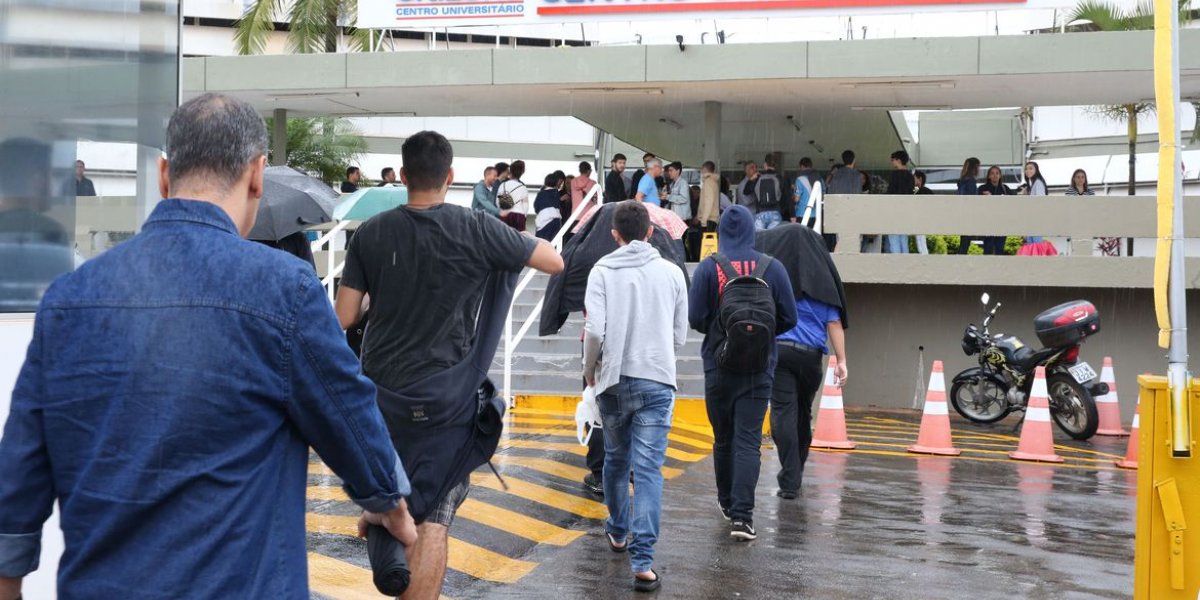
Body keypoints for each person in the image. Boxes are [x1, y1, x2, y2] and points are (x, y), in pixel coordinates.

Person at [0, 93, 418, 600]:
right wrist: (387, 502)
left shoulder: (68, 299)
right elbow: (349, 414)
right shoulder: (285, 290)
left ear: (162, 175)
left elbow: (19, 474)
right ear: (257, 175)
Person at [335, 131, 563, 600]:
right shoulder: (476, 229)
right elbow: (553, 261)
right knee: (435, 512)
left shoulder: (371, 234)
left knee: (389, 491)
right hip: (447, 400)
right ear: (451, 177)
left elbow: (343, 317)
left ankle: (385, 534)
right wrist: (508, 239)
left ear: (401, 176)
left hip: (382, 398)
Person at [582, 200, 687, 593]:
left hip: (612, 380)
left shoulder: (601, 271)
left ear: (615, 235)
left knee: (614, 460)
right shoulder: (673, 273)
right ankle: (642, 563)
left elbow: (594, 331)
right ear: (649, 232)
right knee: (647, 472)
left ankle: (618, 532)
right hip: (657, 382)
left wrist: (589, 371)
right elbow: (679, 336)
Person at [688, 205, 797, 542]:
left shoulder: (710, 267)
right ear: (753, 230)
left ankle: (725, 501)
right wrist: (758, 335)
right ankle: (742, 518)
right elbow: (790, 318)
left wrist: (724, 331)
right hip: (759, 368)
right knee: (748, 441)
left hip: (718, 366)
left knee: (723, 438)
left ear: (721, 231)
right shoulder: (772, 267)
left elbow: (695, 317)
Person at [757, 224, 848, 500]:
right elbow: (834, 324)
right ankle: (795, 471)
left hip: (780, 352)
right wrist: (842, 360)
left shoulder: (776, 281)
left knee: (783, 412)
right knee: (802, 413)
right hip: (810, 358)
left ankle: (790, 476)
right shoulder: (823, 285)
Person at [884, 150, 915, 254]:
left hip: (894, 210)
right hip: (906, 211)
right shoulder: (910, 176)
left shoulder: (895, 175)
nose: (892, 162)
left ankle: (896, 263)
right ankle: (904, 262)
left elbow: (890, 193)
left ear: (898, 160)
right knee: (903, 239)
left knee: (894, 239)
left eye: (893, 160)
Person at [978, 165, 1012, 255]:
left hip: (1002, 223)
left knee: (1000, 248)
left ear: (1000, 175)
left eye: (997, 173)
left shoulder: (1005, 189)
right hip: (987, 222)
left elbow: (1012, 204)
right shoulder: (982, 189)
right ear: (989, 176)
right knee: (988, 247)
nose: (995, 175)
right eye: (992, 173)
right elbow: (977, 205)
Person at [956, 157, 982, 255]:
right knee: (965, 243)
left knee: (964, 242)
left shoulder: (962, 181)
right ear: (974, 168)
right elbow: (971, 199)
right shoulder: (971, 181)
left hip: (962, 214)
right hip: (968, 215)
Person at [497, 160, 529, 232]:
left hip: (505, 215)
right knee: (518, 239)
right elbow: (525, 205)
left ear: (510, 171)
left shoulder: (503, 185)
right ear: (522, 172)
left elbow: (497, 201)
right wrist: (524, 217)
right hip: (519, 216)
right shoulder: (523, 187)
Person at [755, 155, 784, 231]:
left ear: (765, 164)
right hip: (775, 211)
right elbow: (786, 197)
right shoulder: (780, 178)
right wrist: (791, 214)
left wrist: (752, 178)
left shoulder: (758, 178)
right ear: (776, 165)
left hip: (761, 212)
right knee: (774, 239)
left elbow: (746, 191)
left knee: (759, 239)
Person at [535, 171, 564, 241]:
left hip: (543, 221)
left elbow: (536, 207)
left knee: (541, 243)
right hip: (556, 220)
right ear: (556, 182)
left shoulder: (541, 193)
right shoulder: (556, 193)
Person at [912, 170, 933, 255]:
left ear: (919, 179)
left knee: (920, 238)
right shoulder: (925, 190)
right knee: (920, 238)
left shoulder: (918, 190)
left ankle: (924, 255)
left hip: (921, 219)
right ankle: (924, 254)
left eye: (914, 178)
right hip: (923, 218)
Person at [697, 161, 721, 232]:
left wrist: (704, 220)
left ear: (704, 169)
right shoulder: (713, 182)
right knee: (710, 242)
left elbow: (708, 202)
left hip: (708, 219)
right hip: (712, 219)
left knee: (706, 242)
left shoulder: (708, 182)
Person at [793, 157, 815, 227]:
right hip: (816, 214)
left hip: (802, 213)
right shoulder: (819, 179)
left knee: (803, 236)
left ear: (802, 166)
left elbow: (797, 199)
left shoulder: (800, 179)